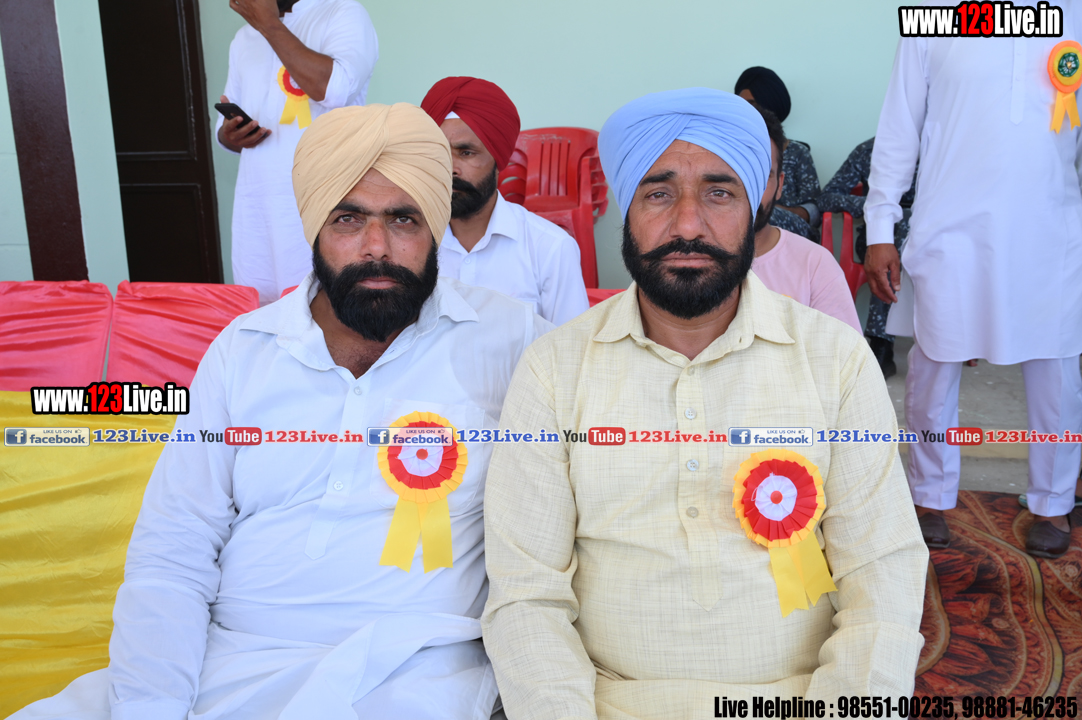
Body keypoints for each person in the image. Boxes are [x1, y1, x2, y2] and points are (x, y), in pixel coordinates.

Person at [12, 104, 549, 720]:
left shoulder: (510, 338)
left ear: (434, 227)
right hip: (223, 659)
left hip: (414, 669)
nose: (377, 247)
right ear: (314, 226)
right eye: (348, 218)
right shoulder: (244, 348)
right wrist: (152, 703)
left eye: (404, 218)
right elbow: (174, 547)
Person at [481, 88, 928, 718]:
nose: (688, 225)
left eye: (719, 193)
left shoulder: (836, 360)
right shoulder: (554, 368)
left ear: (756, 208)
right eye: (658, 194)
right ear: (626, 211)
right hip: (607, 701)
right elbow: (526, 594)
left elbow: (882, 572)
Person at [866, 30, 1082, 557]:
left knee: (1057, 371)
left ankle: (1053, 502)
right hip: (951, 226)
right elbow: (899, 127)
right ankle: (929, 496)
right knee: (934, 365)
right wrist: (880, 227)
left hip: (1050, 228)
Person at [217, 0, 378, 304]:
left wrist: (269, 25)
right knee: (262, 312)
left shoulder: (342, 12)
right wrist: (231, 134)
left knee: (327, 306)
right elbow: (224, 133)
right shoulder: (243, 38)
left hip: (324, 203)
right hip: (258, 209)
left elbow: (334, 89)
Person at [421, 77, 589, 325]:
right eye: (440, 153)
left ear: (498, 159)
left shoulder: (550, 248)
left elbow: (572, 344)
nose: (450, 168)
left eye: (466, 153)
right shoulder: (410, 242)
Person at [748, 104, 861, 333]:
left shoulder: (816, 264)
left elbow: (815, 204)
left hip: (796, 223)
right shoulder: (684, 258)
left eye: (761, 175)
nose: (748, 188)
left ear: (779, 183)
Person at [817, 138, 917, 377]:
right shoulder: (871, 149)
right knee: (897, 234)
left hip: (930, 241)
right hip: (879, 242)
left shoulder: (945, 147)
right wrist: (880, 207)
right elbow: (827, 197)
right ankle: (881, 343)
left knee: (907, 226)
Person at [735, 66, 820, 240]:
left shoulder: (798, 153)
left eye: (752, 105)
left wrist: (773, 211)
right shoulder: (732, 152)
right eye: (741, 105)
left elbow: (814, 209)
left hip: (793, 233)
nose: (746, 112)